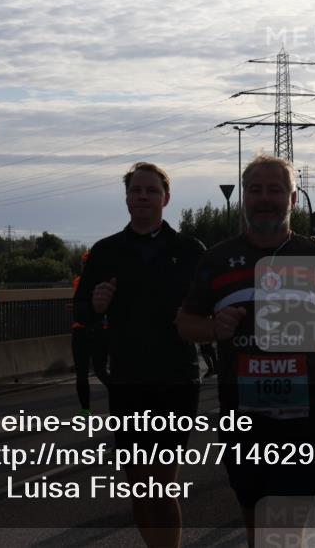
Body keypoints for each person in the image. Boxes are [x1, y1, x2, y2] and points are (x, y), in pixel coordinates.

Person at [176, 154, 315, 547]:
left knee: (285, 521)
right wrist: (214, 328)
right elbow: (185, 323)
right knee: (254, 515)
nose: (264, 198)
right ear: (244, 198)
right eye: (255, 190)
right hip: (243, 408)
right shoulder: (217, 258)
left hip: (304, 404)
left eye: (275, 190)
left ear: (292, 200)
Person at [72, 162, 205, 548]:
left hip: (177, 378)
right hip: (127, 378)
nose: (143, 197)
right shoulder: (106, 251)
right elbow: (80, 311)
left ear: (166, 198)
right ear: (127, 198)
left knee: (162, 485)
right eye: (136, 190)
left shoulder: (189, 249)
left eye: (151, 190)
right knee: (139, 487)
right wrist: (95, 306)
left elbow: (210, 306)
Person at [71, 250, 110, 416]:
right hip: (99, 329)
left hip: (81, 330)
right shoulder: (106, 283)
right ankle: (122, 398)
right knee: (101, 370)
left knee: (82, 373)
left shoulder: (78, 281)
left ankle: (85, 410)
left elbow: (79, 305)